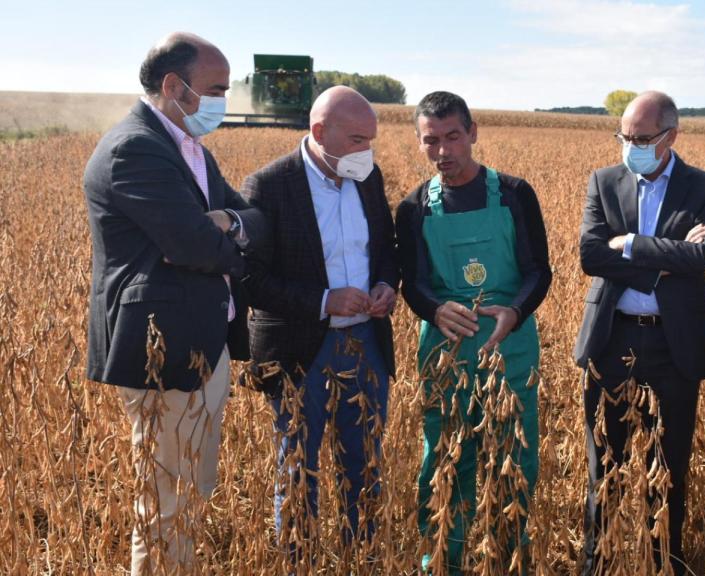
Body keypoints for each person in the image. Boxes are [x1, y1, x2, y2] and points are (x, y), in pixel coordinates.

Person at [83, 32, 264, 575]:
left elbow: (248, 216)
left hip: (201, 345)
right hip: (164, 356)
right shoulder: (133, 148)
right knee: (164, 506)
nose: (222, 101)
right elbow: (190, 245)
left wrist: (229, 224)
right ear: (173, 85)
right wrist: (235, 246)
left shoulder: (189, 148)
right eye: (215, 88)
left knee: (189, 495)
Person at [395, 91, 551, 574]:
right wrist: (436, 310)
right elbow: (412, 283)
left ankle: (509, 561)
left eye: (452, 137)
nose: (443, 151)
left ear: (473, 133)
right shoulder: (415, 206)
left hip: (512, 347)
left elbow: (538, 270)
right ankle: (442, 560)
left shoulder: (514, 193)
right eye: (431, 141)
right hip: (445, 353)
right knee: (444, 462)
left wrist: (516, 312)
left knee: (515, 462)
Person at [240, 86, 398, 557]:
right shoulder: (268, 186)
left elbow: (386, 250)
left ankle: (362, 556)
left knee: (364, 460)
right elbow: (249, 278)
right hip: (299, 347)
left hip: (365, 342)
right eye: (356, 140)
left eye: (370, 140)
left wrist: (388, 286)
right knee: (297, 464)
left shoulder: (368, 178)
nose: (365, 151)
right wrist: (325, 300)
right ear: (318, 132)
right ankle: (299, 559)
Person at [574, 90, 705, 574]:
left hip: (672, 344)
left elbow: (701, 256)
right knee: (607, 462)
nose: (630, 145)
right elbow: (590, 255)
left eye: (641, 138)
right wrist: (664, 259)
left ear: (670, 136)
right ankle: (598, 563)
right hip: (612, 337)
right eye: (624, 136)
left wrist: (633, 245)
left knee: (669, 465)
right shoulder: (604, 180)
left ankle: (666, 562)